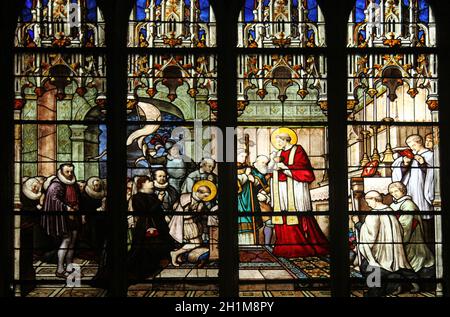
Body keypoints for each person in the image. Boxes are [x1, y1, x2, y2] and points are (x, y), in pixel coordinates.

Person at [268, 128, 329, 257]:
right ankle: (283, 248)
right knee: (282, 215)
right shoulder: (278, 153)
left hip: (295, 187)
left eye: (279, 141)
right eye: (277, 141)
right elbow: (271, 171)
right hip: (280, 189)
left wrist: (285, 168)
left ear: (286, 140)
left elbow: (305, 171)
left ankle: (300, 247)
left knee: (297, 215)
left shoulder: (298, 150)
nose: (278, 143)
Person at [355, 190, 414, 296]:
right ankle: (394, 285)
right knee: (389, 271)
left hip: (380, 255)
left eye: (368, 201)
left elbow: (370, 237)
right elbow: (400, 230)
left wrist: (358, 224)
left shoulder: (373, 215)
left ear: (374, 199)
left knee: (366, 267)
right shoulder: (390, 210)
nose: (368, 204)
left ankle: (375, 292)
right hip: (393, 254)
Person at [388, 182, 435, 292]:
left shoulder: (408, 204)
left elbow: (407, 225)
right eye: (391, 192)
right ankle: (400, 286)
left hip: (411, 239)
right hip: (398, 237)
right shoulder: (393, 205)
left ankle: (413, 285)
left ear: (403, 190)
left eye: (396, 191)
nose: (394, 194)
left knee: (408, 260)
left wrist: (400, 239)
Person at [127, 176, 174, 282]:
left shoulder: (152, 195)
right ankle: (143, 272)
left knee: (159, 248)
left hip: (158, 225)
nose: (152, 182)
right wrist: (159, 201)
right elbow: (146, 212)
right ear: (142, 184)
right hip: (145, 227)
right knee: (145, 250)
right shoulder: (137, 197)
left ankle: (154, 269)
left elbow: (157, 211)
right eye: (149, 181)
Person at [391, 134, 435, 244]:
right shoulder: (411, 155)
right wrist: (405, 164)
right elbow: (396, 168)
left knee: (423, 219)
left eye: (413, 145)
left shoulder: (430, 155)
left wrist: (422, 164)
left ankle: (426, 244)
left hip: (421, 190)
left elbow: (434, 174)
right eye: (410, 145)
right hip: (409, 189)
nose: (411, 148)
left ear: (419, 142)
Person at [41, 164, 81, 278]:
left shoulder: (73, 183)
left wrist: (80, 212)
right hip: (63, 218)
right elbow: (53, 200)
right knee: (66, 241)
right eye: (67, 172)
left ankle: (69, 266)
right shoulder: (56, 184)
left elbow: (79, 198)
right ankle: (59, 269)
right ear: (61, 172)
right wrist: (67, 208)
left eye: (71, 172)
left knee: (72, 242)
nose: (69, 174)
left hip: (75, 216)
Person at [168, 180, 217, 267]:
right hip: (186, 225)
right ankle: (175, 253)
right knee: (196, 243)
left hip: (194, 224)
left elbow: (203, 214)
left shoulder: (199, 202)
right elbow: (184, 214)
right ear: (198, 192)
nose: (205, 198)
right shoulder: (186, 199)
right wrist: (197, 212)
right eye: (205, 196)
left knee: (199, 242)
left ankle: (180, 255)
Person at [80, 177, 106, 259]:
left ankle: (100, 253)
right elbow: (85, 208)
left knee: (100, 236)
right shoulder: (85, 195)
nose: (97, 187)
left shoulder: (103, 194)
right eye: (95, 185)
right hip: (91, 219)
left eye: (98, 185)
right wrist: (99, 209)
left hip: (101, 219)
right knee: (92, 236)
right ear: (91, 186)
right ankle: (95, 254)